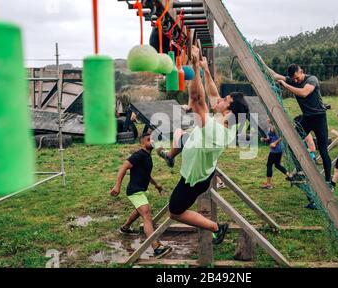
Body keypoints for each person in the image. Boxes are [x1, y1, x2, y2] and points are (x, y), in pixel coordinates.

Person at [157, 45, 250, 245]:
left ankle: (216, 227)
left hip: (194, 178)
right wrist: (205, 70)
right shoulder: (229, 120)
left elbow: (197, 99)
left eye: (225, 100)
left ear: (229, 110)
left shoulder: (219, 131)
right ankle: (170, 155)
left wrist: (194, 67)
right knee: (182, 135)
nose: (220, 99)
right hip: (199, 159)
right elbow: (213, 94)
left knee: (175, 212)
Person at [258, 59, 332, 186]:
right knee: (291, 143)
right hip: (307, 119)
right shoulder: (293, 79)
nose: (296, 81)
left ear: (301, 71)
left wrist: (286, 85)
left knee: (323, 149)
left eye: (297, 78)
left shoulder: (311, 79)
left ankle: (328, 181)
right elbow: (274, 75)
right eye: (294, 79)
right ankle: (301, 171)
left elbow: (304, 93)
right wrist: (260, 61)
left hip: (319, 118)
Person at [109, 132, 172, 258]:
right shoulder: (139, 155)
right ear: (142, 142)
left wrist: (156, 184)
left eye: (153, 139)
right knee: (146, 214)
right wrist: (117, 186)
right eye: (149, 139)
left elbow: (146, 174)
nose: (152, 141)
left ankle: (125, 227)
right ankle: (156, 247)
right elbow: (123, 167)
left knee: (139, 211)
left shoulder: (147, 156)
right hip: (134, 191)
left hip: (140, 190)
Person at [260, 118, 290, 189]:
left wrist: (274, 143)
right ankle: (289, 175)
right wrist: (265, 139)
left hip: (276, 149)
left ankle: (268, 184)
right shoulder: (271, 126)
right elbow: (271, 137)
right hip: (277, 149)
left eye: (268, 117)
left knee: (269, 165)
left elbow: (281, 136)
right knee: (277, 164)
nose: (267, 118)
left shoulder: (275, 127)